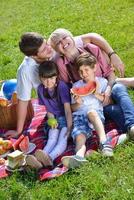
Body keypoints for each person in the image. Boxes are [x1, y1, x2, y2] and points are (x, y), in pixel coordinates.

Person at [5, 31, 125, 138]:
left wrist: (112, 54)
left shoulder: (57, 47)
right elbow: (23, 100)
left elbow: (92, 36)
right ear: (33, 56)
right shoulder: (25, 70)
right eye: (43, 49)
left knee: (114, 92)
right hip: (64, 104)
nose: (49, 49)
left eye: (46, 43)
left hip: (85, 90)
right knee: (59, 131)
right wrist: (19, 130)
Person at [49, 28, 134, 138]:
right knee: (115, 110)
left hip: (106, 87)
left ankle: (132, 124)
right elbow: (68, 89)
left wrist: (107, 92)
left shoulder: (91, 49)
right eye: (58, 43)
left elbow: (110, 73)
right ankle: (128, 129)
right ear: (57, 50)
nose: (63, 42)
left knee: (118, 89)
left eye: (64, 38)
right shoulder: (61, 64)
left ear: (72, 38)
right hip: (92, 104)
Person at [61, 52, 113, 168]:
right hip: (79, 116)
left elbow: (108, 102)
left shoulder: (102, 82)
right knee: (79, 136)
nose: (83, 74)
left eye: (86, 70)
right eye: (80, 71)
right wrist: (78, 103)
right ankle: (79, 156)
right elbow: (72, 108)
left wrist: (97, 94)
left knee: (91, 112)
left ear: (94, 67)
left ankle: (104, 143)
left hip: (96, 117)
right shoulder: (75, 86)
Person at [26, 60, 72, 169]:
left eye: (51, 78)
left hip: (66, 118)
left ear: (56, 77)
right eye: (45, 79)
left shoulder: (62, 87)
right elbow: (48, 109)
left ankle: (50, 158)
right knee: (52, 138)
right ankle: (39, 159)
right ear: (40, 78)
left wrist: (70, 126)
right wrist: (51, 120)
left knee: (62, 138)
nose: (48, 82)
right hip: (53, 118)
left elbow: (67, 109)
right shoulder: (41, 90)